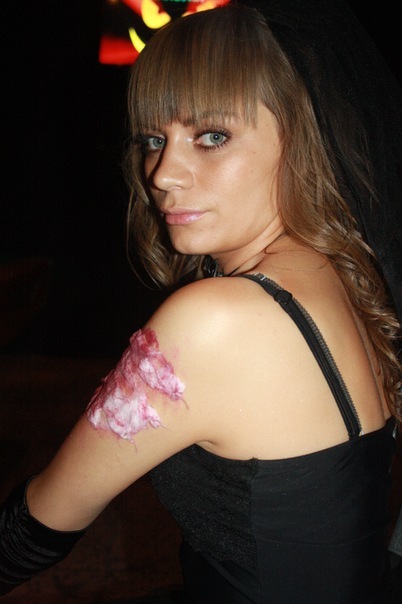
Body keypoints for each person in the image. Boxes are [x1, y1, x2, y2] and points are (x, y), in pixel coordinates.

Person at [1, 2, 401, 602]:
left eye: (212, 137)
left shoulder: (218, 321)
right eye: (153, 139)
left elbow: (40, 523)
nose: (162, 174)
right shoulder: (339, 270)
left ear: (302, 137)